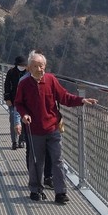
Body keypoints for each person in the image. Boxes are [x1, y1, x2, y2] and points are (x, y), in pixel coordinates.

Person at [14, 50, 97, 203]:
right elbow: (18, 103)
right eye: (37, 66)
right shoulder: (24, 84)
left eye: (43, 66)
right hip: (35, 130)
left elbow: (64, 97)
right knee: (36, 161)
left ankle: (61, 193)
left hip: (52, 128)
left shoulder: (51, 80)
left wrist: (82, 100)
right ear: (30, 68)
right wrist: (24, 115)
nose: (41, 69)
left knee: (57, 160)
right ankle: (35, 190)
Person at [3, 55, 28, 149]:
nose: (23, 66)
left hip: (24, 101)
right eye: (21, 65)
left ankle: (22, 140)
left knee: (23, 120)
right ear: (17, 64)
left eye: (24, 65)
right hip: (13, 100)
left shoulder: (28, 73)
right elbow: (7, 85)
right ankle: (14, 141)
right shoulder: (11, 72)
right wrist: (7, 98)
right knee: (13, 119)